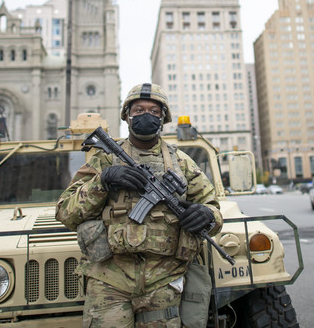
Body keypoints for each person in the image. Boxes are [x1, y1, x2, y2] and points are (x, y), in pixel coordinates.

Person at [56, 83, 223, 327]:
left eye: (154, 111)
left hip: (164, 279)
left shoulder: (182, 163)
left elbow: (213, 209)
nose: (146, 115)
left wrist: (206, 215)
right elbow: (64, 212)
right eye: (139, 109)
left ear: (163, 118)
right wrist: (103, 181)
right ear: (127, 116)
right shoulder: (103, 160)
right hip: (109, 278)